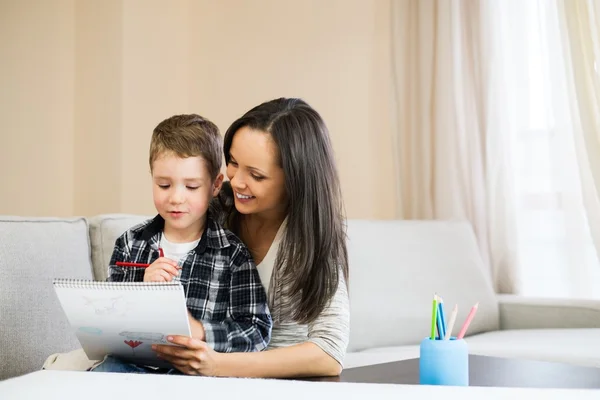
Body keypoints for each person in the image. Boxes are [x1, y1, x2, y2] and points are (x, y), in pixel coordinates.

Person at [153, 98, 350, 378]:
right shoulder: (212, 212)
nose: (237, 181)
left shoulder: (312, 236)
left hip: (277, 380)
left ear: (295, 179)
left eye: (256, 175)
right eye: (233, 162)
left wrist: (218, 365)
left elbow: (330, 351)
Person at [92, 113, 272, 373]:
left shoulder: (232, 254)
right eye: (164, 185)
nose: (176, 198)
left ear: (215, 185)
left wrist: (201, 332)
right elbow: (107, 321)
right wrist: (141, 288)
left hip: (194, 372)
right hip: (133, 366)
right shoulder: (130, 243)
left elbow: (257, 330)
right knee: (102, 375)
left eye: (191, 187)